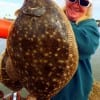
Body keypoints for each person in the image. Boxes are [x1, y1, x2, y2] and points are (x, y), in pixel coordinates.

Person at [51, 0, 100, 100]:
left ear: (88, 6)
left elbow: (87, 45)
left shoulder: (89, 24)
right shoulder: (51, 19)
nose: (76, 4)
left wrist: (54, 21)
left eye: (83, 2)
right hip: (45, 86)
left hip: (74, 93)